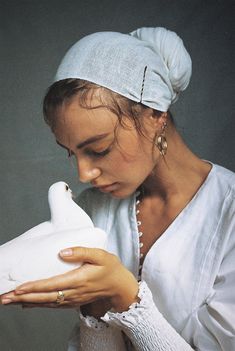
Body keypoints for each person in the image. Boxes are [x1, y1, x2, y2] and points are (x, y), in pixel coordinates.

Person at [1, 27, 235, 350]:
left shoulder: (229, 215)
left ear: (155, 114)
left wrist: (124, 296)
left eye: (99, 149)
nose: (83, 174)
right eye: (72, 152)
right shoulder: (94, 210)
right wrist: (96, 309)